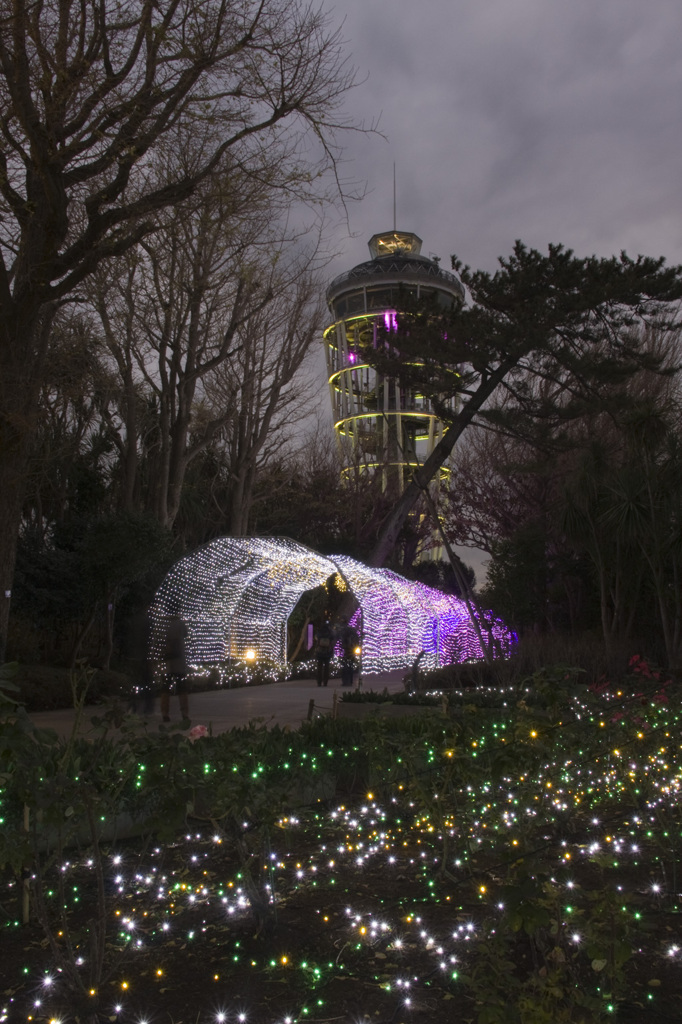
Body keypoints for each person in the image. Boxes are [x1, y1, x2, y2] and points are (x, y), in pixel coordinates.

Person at [162, 613, 190, 723]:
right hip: (179, 663)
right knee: (182, 689)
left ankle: (165, 713)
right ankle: (184, 714)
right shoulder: (180, 624)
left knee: (165, 690)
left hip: (168, 664)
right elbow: (186, 634)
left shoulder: (165, 625)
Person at [127, 607, 155, 715]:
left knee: (136, 683)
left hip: (135, 656)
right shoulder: (147, 621)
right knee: (147, 683)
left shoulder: (134, 621)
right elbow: (150, 640)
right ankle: (147, 707)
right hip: (144, 657)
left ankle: (133, 706)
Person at [314, 620, 334, 687]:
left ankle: (319, 682)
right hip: (327, 652)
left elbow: (316, 638)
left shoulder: (319, 632)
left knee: (319, 667)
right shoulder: (329, 632)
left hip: (320, 652)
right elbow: (333, 638)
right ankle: (325, 682)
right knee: (326, 668)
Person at [339, 622, 360, 687]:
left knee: (345, 667)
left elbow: (342, 645)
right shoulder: (353, 636)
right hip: (351, 654)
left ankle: (345, 681)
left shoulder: (344, 636)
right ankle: (350, 681)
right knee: (350, 666)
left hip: (346, 653)